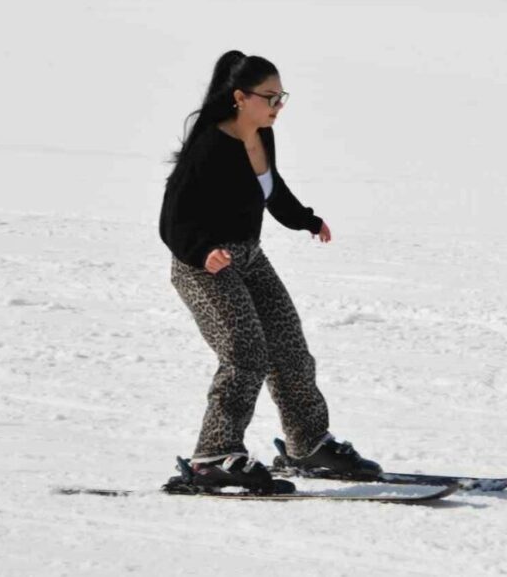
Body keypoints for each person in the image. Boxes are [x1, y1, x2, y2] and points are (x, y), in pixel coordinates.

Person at [159, 51, 380, 493]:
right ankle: (213, 456)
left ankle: (308, 444)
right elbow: (171, 220)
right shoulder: (208, 147)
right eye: (271, 98)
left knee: (290, 349)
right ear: (240, 98)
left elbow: (272, 190)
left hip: (249, 256)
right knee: (245, 355)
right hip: (202, 266)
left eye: (282, 97)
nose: (279, 106)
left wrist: (306, 219)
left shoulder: (262, 136)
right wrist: (203, 252)